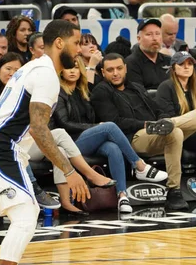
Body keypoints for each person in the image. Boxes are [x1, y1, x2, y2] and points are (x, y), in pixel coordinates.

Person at [0, 20, 90, 265]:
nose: (80, 49)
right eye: (76, 43)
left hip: (6, 147)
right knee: (26, 215)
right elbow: (39, 129)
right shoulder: (46, 75)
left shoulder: (34, 67)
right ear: (59, 43)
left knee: (27, 214)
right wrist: (70, 172)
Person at [91, 52, 196, 210]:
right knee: (176, 133)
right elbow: (115, 123)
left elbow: (158, 109)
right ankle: (174, 191)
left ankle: (169, 123)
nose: (115, 73)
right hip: (133, 138)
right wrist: (145, 124)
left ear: (125, 68)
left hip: (157, 131)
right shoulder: (101, 91)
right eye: (110, 70)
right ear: (103, 72)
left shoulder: (136, 87)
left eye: (119, 68)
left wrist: (164, 119)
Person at [54, 58, 168, 213]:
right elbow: (64, 123)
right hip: (71, 142)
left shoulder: (84, 91)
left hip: (90, 138)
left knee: (113, 148)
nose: (72, 71)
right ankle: (139, 165)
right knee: (109, 126)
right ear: (61, 71)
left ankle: (122, 195)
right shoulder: (57, 92)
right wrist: (95, 127)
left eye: (76, 68)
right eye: (68, 68)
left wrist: (94, 128)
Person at [156, 51, 196, 176]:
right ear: (173, 68)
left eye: (190, 64)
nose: (186, 67)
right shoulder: (166, 87)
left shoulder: (194, 90)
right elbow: (167, 118)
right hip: (182, 133)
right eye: (182, 64)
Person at [126, 19, 172, 91]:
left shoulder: (168, 60)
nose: (154, 38)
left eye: (157, 34)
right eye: (149, 34)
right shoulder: (131, 63)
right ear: (139, 39)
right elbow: (137, 94)